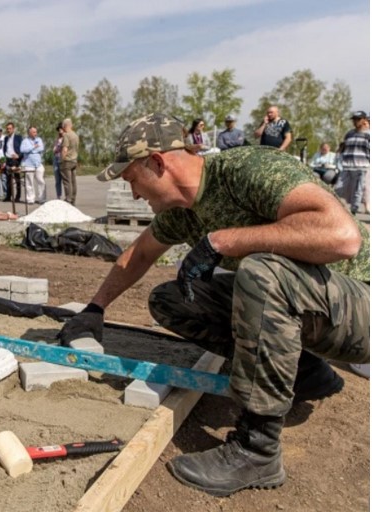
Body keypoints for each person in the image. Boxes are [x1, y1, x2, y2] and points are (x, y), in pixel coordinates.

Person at [57, 112, 369, 498]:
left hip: (359, 307)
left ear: (157, 162)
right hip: (315, 310)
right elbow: (138, 255)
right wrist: (95, 309)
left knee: (261, 272)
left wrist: (224, 241)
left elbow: (343, 238)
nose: (135, 194)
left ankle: (258, 449)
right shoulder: (182, 212)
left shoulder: (248, 169)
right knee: (172, 300)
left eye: (133, 180)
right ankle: (306, 372)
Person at [335, 110, 370, 214]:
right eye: (354, 119)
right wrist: (338, 156)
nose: (355, 122)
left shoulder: (368, 135)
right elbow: (343, 146)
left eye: (358, 119)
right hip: (347, 166)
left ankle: (353, 211)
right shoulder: (349, 134)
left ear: (364, 120)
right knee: (338, 188)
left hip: (361, 166)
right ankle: (338, 208)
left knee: (358, 190)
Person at [20, 126, 46, 204]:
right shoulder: (25, 141)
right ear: (29, 132)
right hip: (28, 164)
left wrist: (31, 151)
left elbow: (41, 149)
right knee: (29, 182)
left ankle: (42, 199)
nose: (36, 133)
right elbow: (22, 150)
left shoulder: (39, 140)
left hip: (38, 164)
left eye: (36, 132)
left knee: (41, 181)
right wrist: (33, 147)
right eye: (34, 132)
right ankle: (30, 199)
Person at [2, 122, 23, 203]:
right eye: (7, 129)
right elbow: (5, 148)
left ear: (13, 129)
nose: (8, 130)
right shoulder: (6, 138)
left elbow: (22, 149)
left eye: (10, 128)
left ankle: (18, 197)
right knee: (8, 179)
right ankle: (8, 196)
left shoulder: (18, 137)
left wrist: (19, 155)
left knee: (17, 179)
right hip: (8, 159)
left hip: (16, 160)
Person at [60, 118, 80, 204]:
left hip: (67, 161)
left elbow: (65, 149)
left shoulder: (66, 135)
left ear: (64, 126)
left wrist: (62, 159)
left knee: (67, 181)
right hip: (74, 160)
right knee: (73, 181)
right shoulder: (76, 135)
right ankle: (73, 199)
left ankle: (68, 199)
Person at [53, 123, 64, 200]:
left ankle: (66, 196)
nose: (60, 131)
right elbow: (54, 150)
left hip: (63, 159)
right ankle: (58, 195)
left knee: (65, 178)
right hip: (56, 158)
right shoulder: (57, 139)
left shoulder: (66, 138)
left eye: (61, 129)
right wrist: (57, 148)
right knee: (57, 179)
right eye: (59, 129)